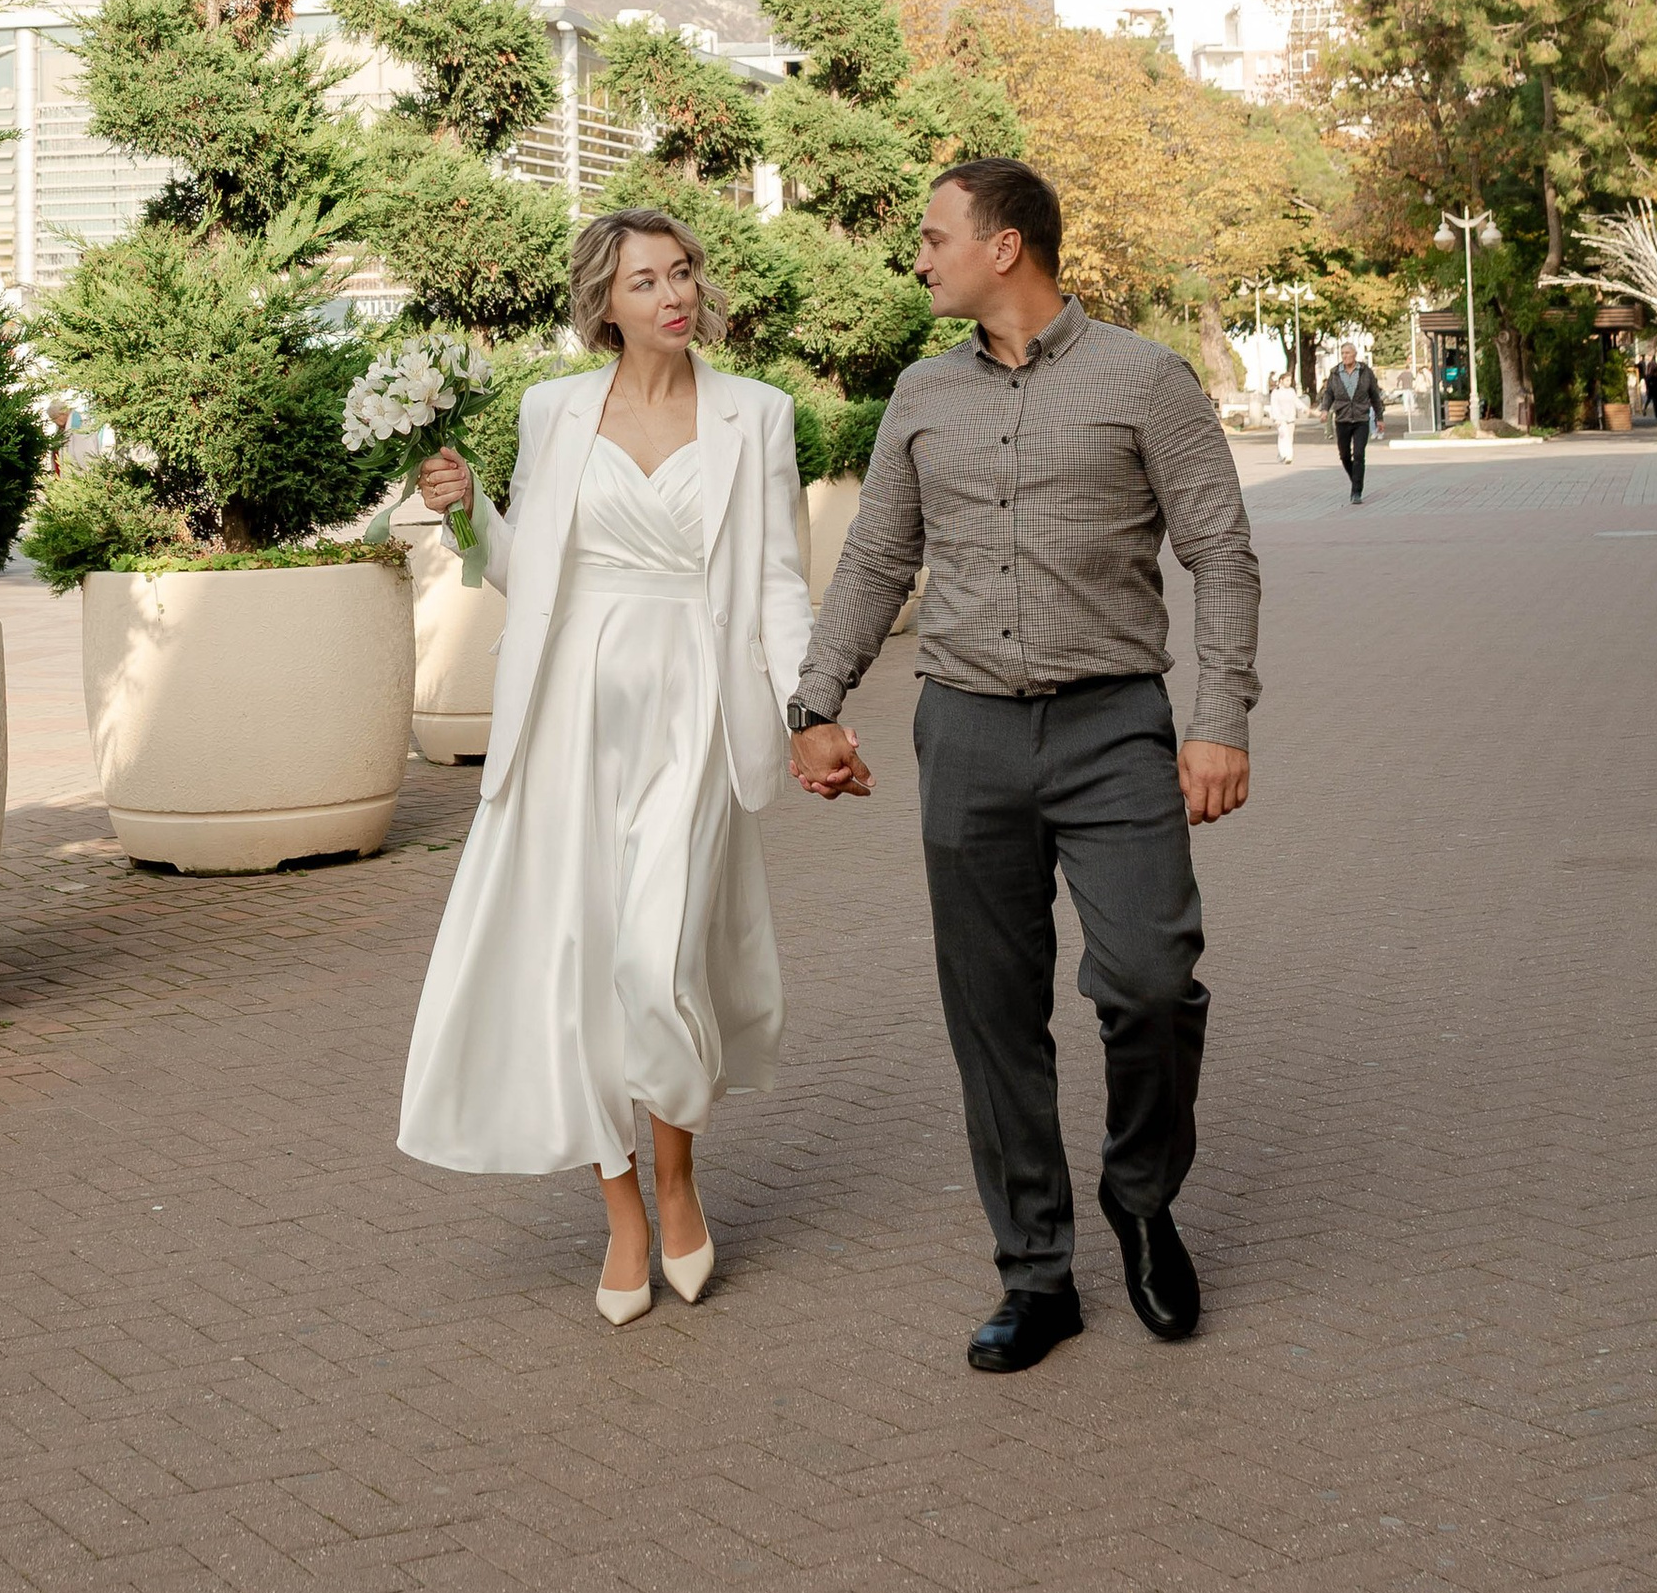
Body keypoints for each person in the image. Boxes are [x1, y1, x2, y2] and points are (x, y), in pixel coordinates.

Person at [790, 158, 1259, 1375]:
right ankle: (1035, 1274)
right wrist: (814, 700)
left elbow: (1223, 555)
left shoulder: (1144, 380)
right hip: (966, 735)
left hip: (1114, 730)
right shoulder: (919, 393)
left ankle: (1142, 1200)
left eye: (935, 234)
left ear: (1005, 248)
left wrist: (1220, 720)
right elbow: (875, 563)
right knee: (993, 1015)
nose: (919, 254)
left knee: (1151, 979)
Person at [398, 207, 810, 1323]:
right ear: (604, 302)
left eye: (681, 274)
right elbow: (530, 570)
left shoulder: (757, 415)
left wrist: (807, 706)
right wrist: (466, 512)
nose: (671, 295)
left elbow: (777, 580)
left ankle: (678, 1176)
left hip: (693, 704)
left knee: (659, 956)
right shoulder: (553, 410)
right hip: (571, 707)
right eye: (644, 281)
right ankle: (623, 1206)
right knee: (580, 964)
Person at [1322, 337, 1383, 500]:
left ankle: (1356, 491)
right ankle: (1355, 478)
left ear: (1355, 354)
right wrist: (1324, 409)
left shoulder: (1365, 371)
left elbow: (1375, 395)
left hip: (1361, 419)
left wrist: (1379, 418)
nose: (1344, 356)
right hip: (1342, 419)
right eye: (1342, 353)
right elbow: (1329, 393)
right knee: (1344, 455)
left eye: (1347, 353)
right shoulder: (1335, 372)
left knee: (1358, 454)